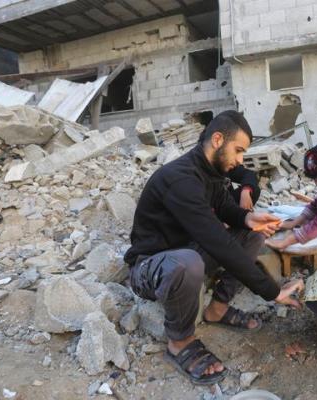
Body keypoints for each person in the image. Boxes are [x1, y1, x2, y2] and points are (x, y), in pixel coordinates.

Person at [124, 110, 304, 386]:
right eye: (239, 150)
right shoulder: (181, 179)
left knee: (253, 236)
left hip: (186, 255)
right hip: (150, 267)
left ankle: (217, 309)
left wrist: (247, 218)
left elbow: (225, 208)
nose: (241, 160)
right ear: (218, 139)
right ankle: (180, 341)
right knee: (188, 262)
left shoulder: (211, 173)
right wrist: (272, 291)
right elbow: (216, 241)